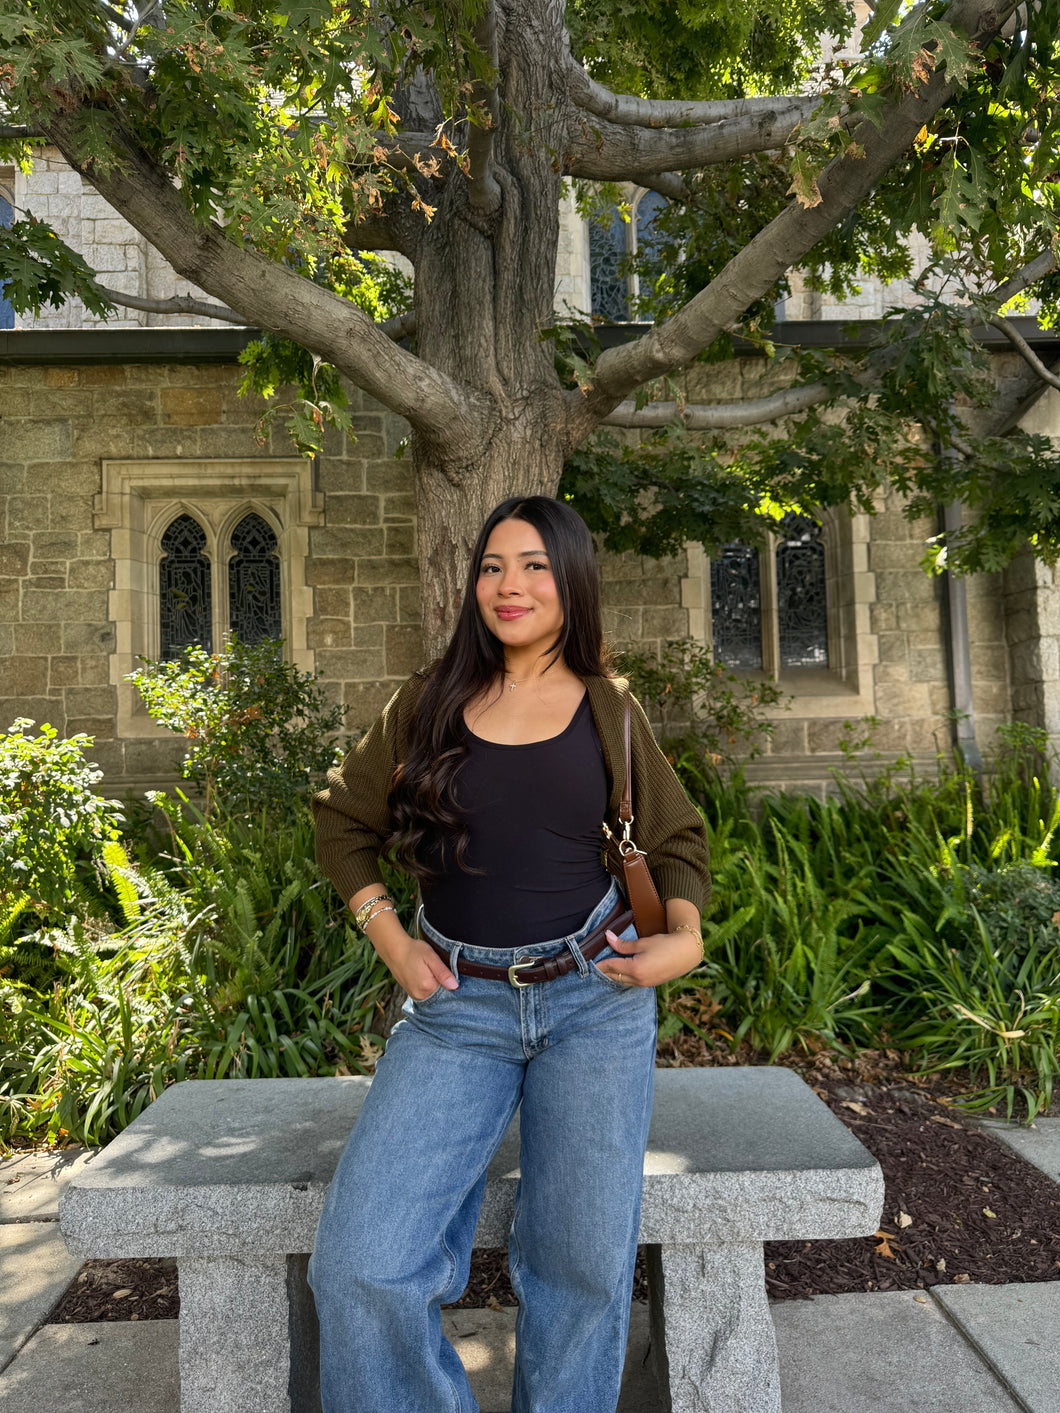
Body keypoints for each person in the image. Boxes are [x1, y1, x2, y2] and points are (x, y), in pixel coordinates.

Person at [308, 496, 710, 1413]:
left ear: (571, 581)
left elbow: (679, 838)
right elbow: (342, 820)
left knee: (581, 1272)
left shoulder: (609, 706)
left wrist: (678, 940)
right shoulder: (427, 700)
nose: (509, 585)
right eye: (493, 566)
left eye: (533, 565)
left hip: (593, 1000)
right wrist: (391, 937)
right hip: (457, 1009)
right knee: (362, 1261)